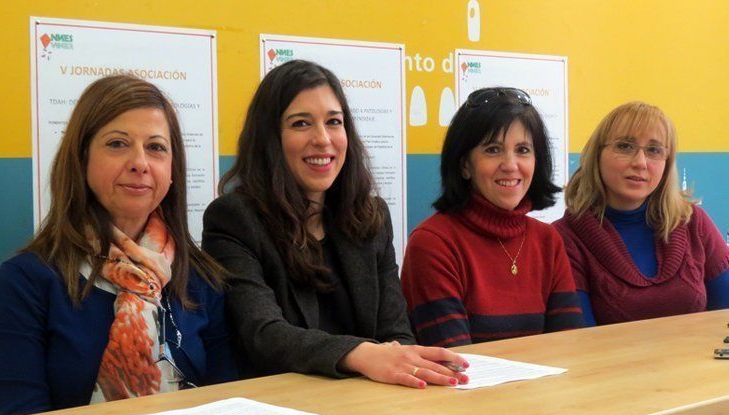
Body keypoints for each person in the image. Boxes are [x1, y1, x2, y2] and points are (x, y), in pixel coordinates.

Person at [0, 75, 237, 415]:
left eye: (156, 148)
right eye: (117, 144)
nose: (140, 163)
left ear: (172, 169)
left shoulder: (202, 277)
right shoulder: (26, 281)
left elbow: (228, 407)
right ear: (81, 159)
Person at [202, 60, 468, 388]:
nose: (323, 139)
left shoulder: (372, 217)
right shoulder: (233, 218)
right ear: (270, 138)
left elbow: (396, 331)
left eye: (334, 122)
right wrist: (361, 354)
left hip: (367, 401)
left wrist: (407, 367)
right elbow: (264, 335)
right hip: (283, 406)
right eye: (301, 123)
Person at [401, 87, 583, 348]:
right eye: (493, 149)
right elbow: (457, 362)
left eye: (522, 150)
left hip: (545, 389)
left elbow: (569, 347)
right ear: (465, 165)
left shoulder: (547, 241)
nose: (511, 164)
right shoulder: (433, 243)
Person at [554, 101, 729, 327]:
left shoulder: (693, 222)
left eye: (654, 150)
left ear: (667, 163)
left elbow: (724, 318)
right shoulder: (565, 239)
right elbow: (580, 341)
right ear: (597, 155)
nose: (640, 162)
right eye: (625, 146)